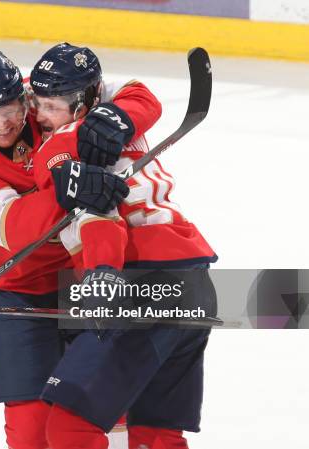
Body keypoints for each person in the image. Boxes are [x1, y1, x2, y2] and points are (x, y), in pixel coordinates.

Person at [0, 50, 156, 449]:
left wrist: (119, 118)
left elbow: (135, 94)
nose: (2, 123)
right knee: (31, 433)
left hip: (83, 273)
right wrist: (67, 188)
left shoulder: (45, 100)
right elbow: (13, 228)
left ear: (24, 99)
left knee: (111, 406)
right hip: (17, 293)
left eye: (10, 110)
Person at [27, 43, 218, 449]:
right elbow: (137, 93)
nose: (40, 116)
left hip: (139, 284)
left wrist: (103, 274)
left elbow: (100, 217)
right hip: (195, 282)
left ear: (85, 101)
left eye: (52, 106)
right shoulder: (130, 124)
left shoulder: (58, 141)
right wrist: (117, 115)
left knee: (69, 429)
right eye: (38, 103)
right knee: (156, 435)